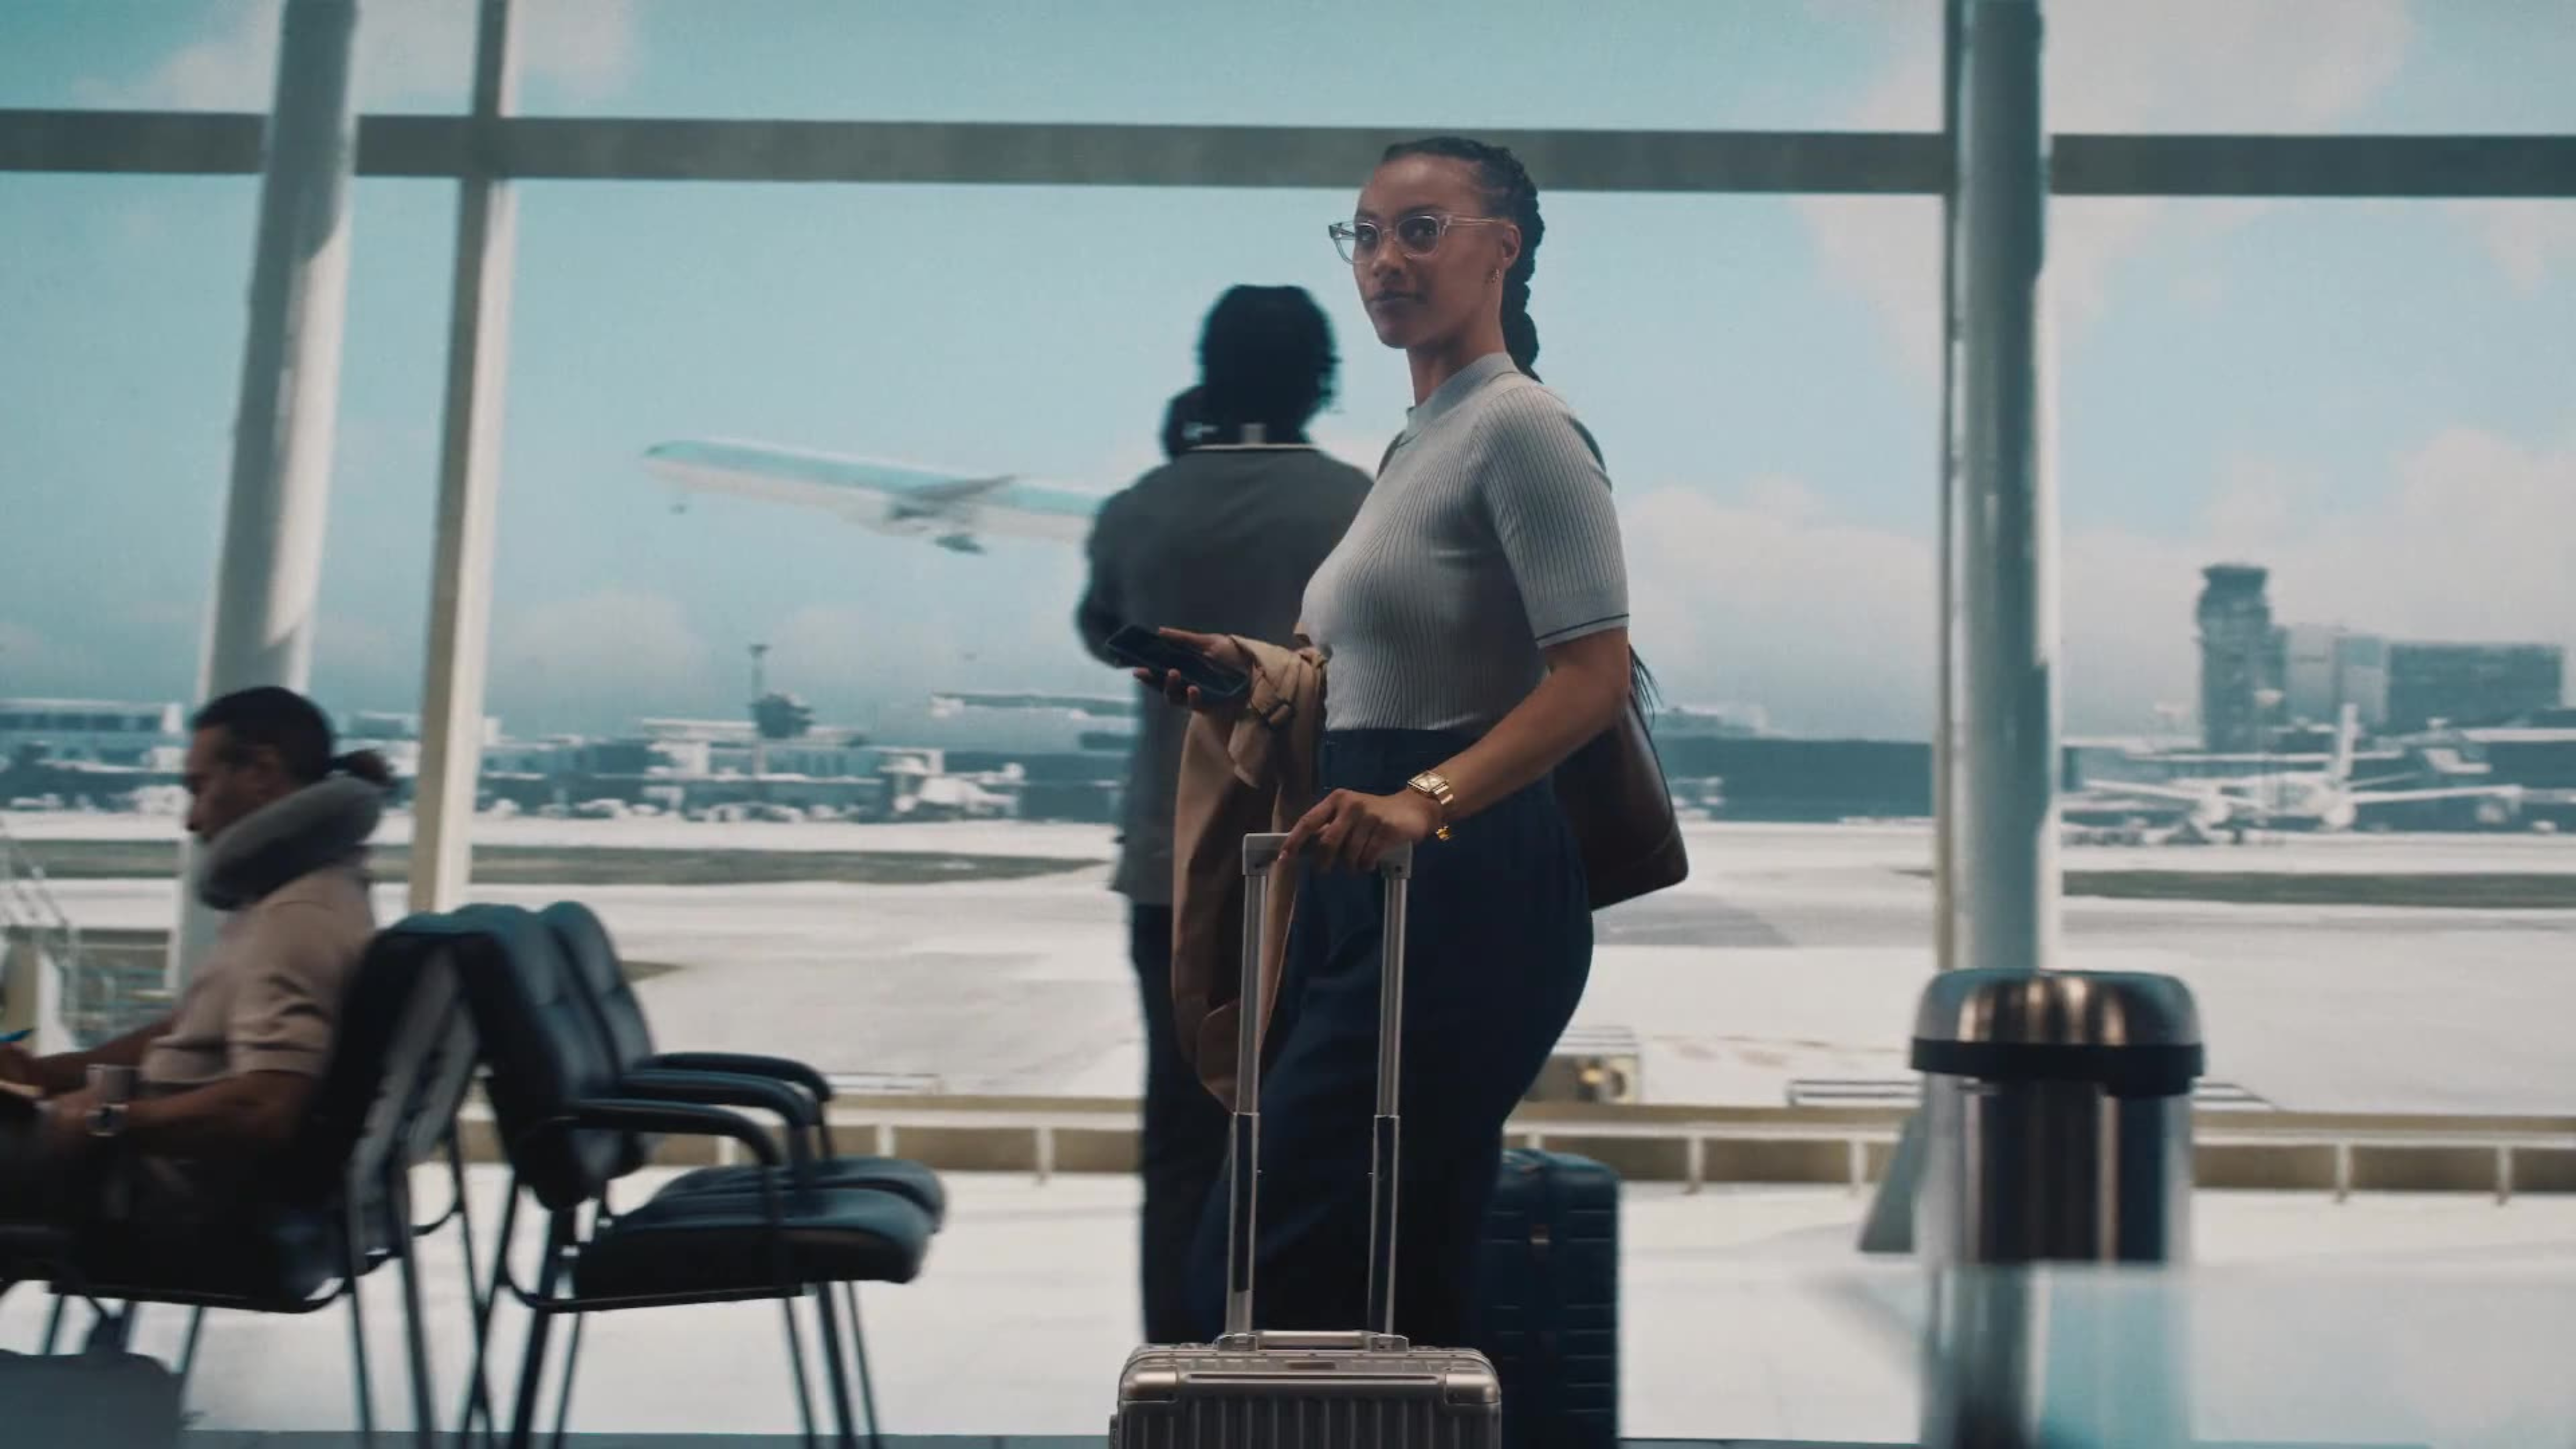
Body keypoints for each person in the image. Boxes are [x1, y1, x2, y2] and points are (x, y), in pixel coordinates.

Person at [1147, 138, 1633, 1346]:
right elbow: (1380, 674)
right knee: (1389, 1272)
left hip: (1466, 886)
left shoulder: (1524, 431)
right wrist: (1246, 676)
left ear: (1502, 251)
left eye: (1422, 231)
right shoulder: (1421, 444)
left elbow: (1594, 680)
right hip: (1374, 876)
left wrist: (1424, 799)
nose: (1384, 262)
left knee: (1261, 1267)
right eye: (1365, 235)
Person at [1078, 284, 1373, 1342]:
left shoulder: (1138, 509)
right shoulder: (1359, 505)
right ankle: (1307, 1376)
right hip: (1326, 872)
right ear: (1323, 380)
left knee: (1182, 1145)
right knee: (1320, 1144)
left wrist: (1175, 456)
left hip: (1173, 867)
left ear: (1206, 372)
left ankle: (1177, 1380)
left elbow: (1105, 630)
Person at [0, 685, 393, 1232]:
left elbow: (264, 1107)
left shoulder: (297, 918)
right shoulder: (303, 897)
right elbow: (186, 1041)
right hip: (135, 1160)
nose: (191, 820)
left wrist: (99, 1119)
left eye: (199, 787)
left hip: (144, 1184)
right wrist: (44, 1077)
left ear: (261, 770)